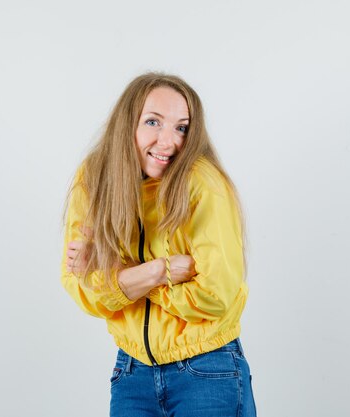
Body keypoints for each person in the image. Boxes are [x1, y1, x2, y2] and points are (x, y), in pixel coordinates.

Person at [61, 72, 257, 416]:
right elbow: (84, 290)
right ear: (127, 123)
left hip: (207, 369)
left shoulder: (202, 183)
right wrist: (158, 271)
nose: (168, 141)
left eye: (181, 127)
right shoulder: (94, 179)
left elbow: (215, 295)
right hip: (131, 373)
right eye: (153, 122)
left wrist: (120, 277)